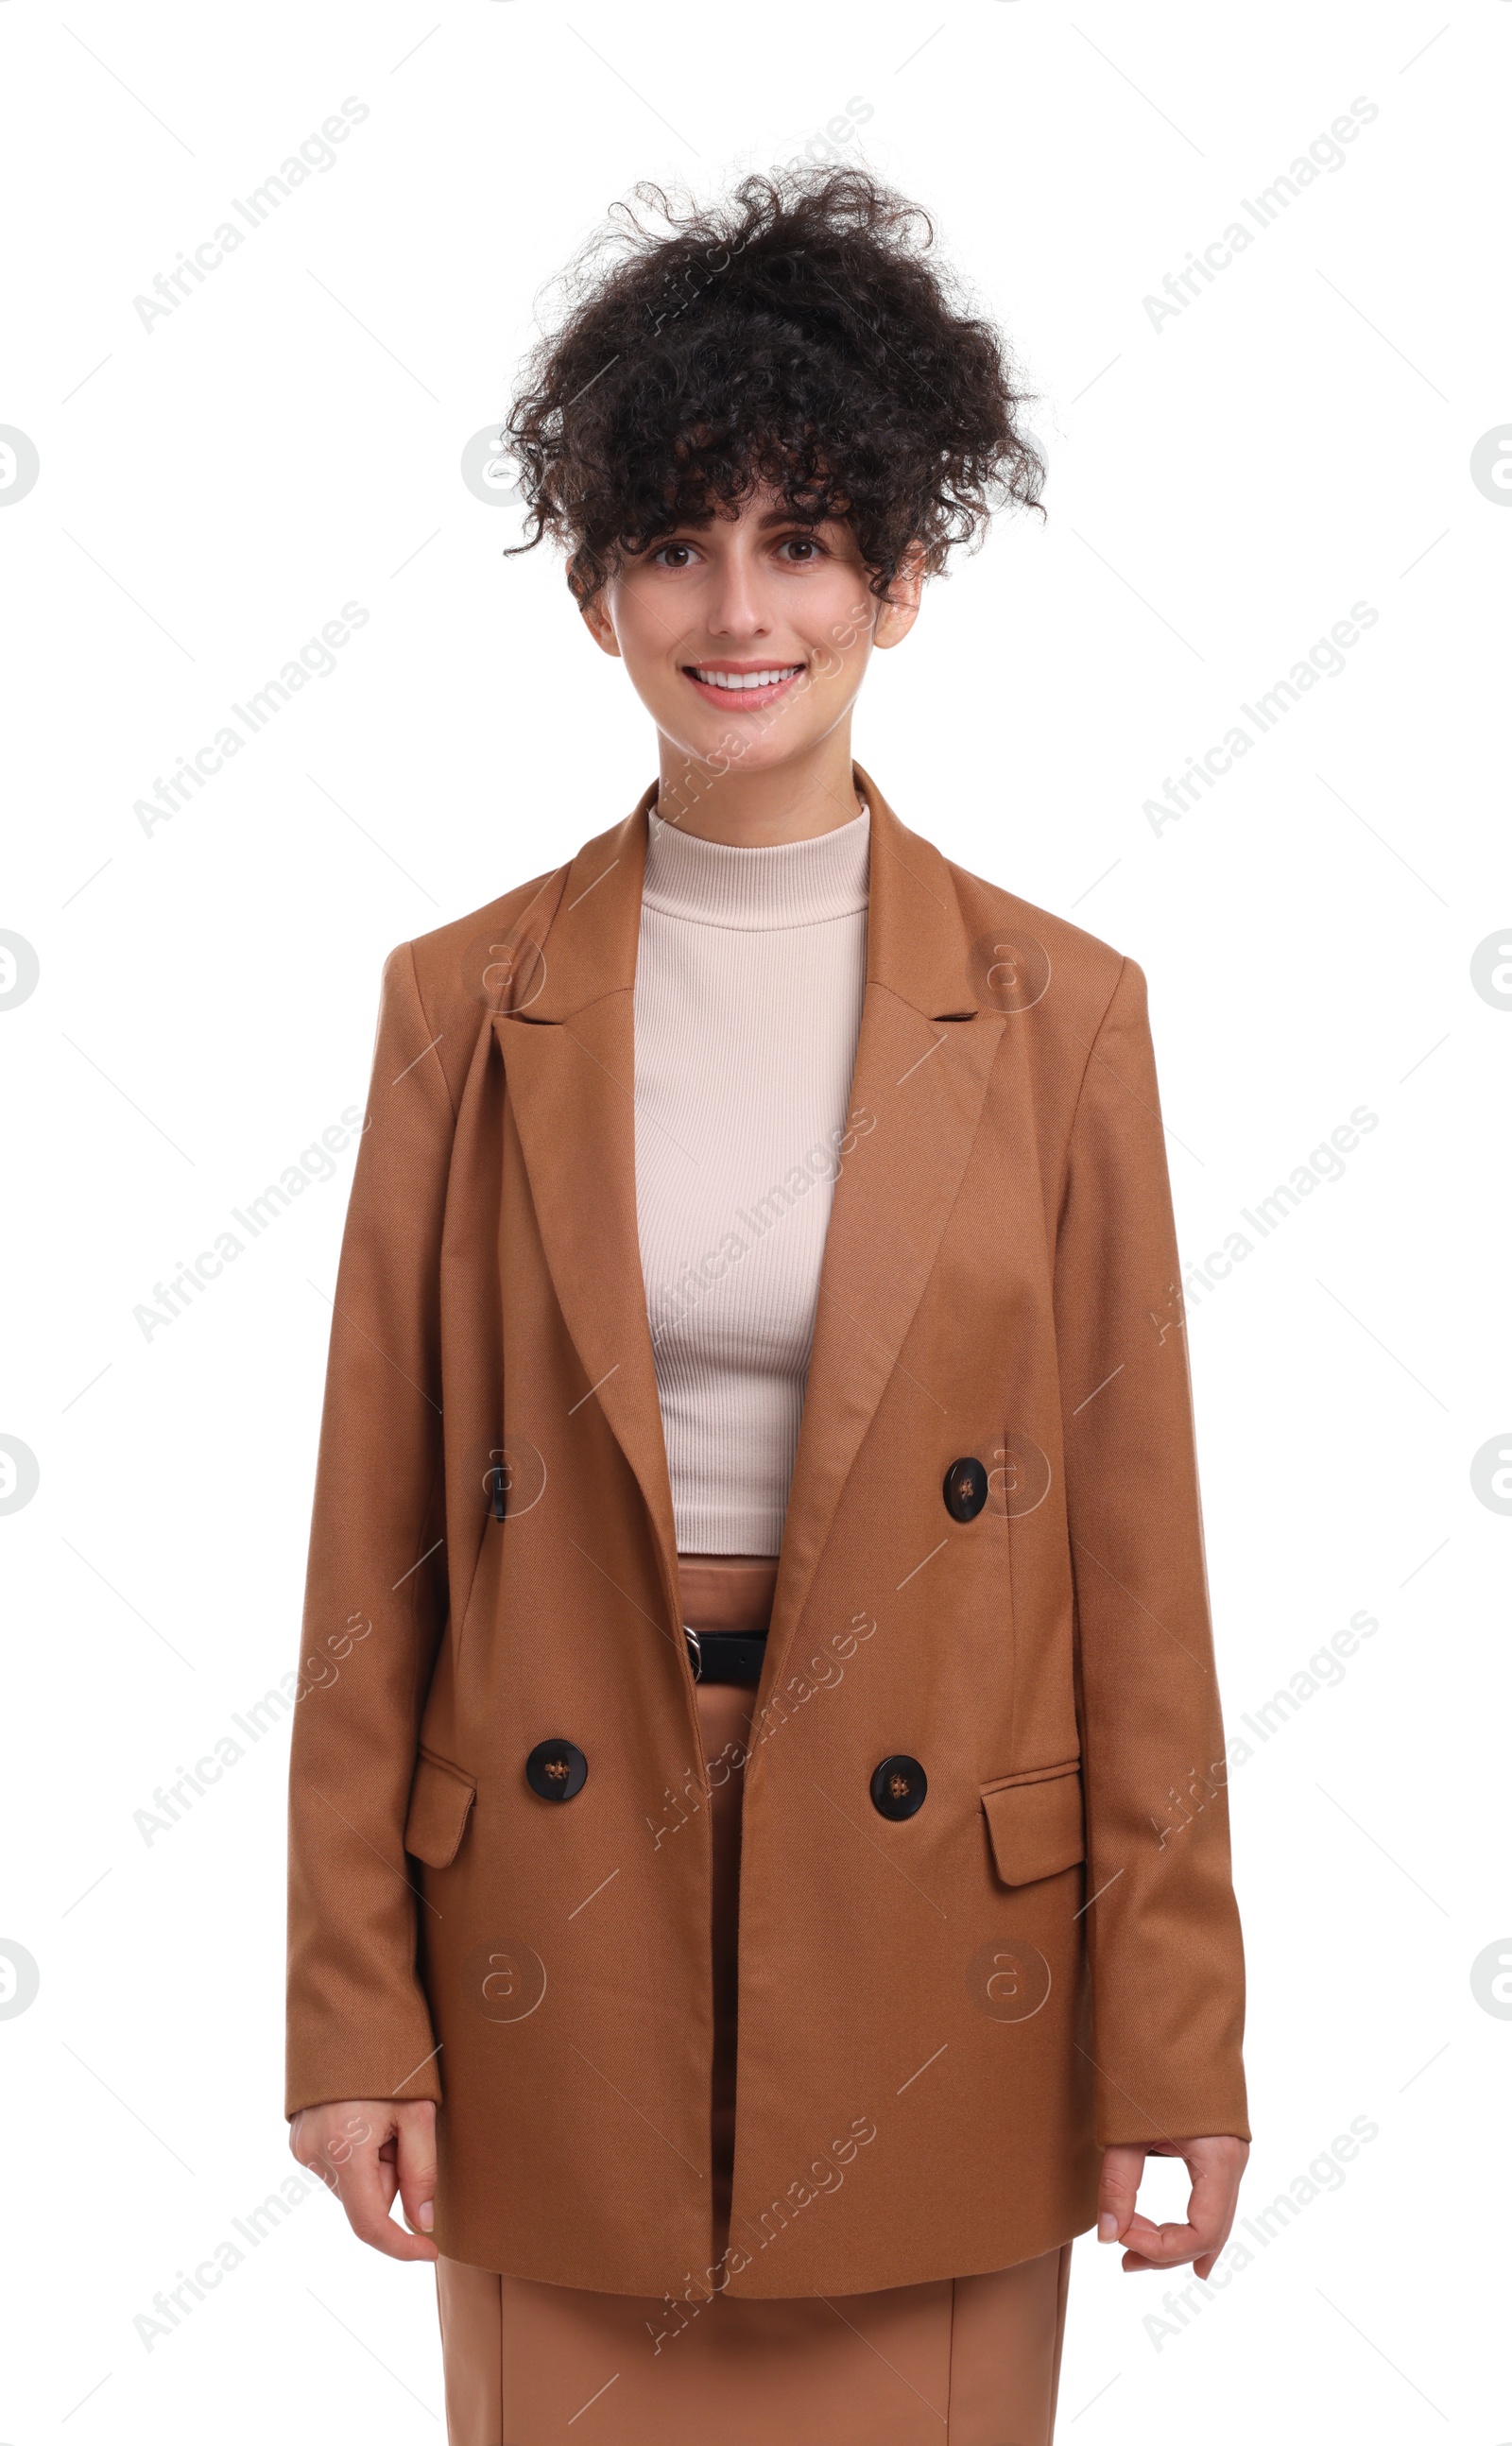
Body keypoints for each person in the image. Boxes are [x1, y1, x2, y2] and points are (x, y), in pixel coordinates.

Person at [285, 165, 1249, 2445]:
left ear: (902, 577)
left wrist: (1177, 2038)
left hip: (941, 1960)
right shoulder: (460, 1004)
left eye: (803, 539)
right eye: (675, 543)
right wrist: (347, 2017)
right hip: (548, 1928)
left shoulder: (1059, 1013)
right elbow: (376, 1548)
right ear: (597, 584)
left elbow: (1136, 1558)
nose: (738, 610)